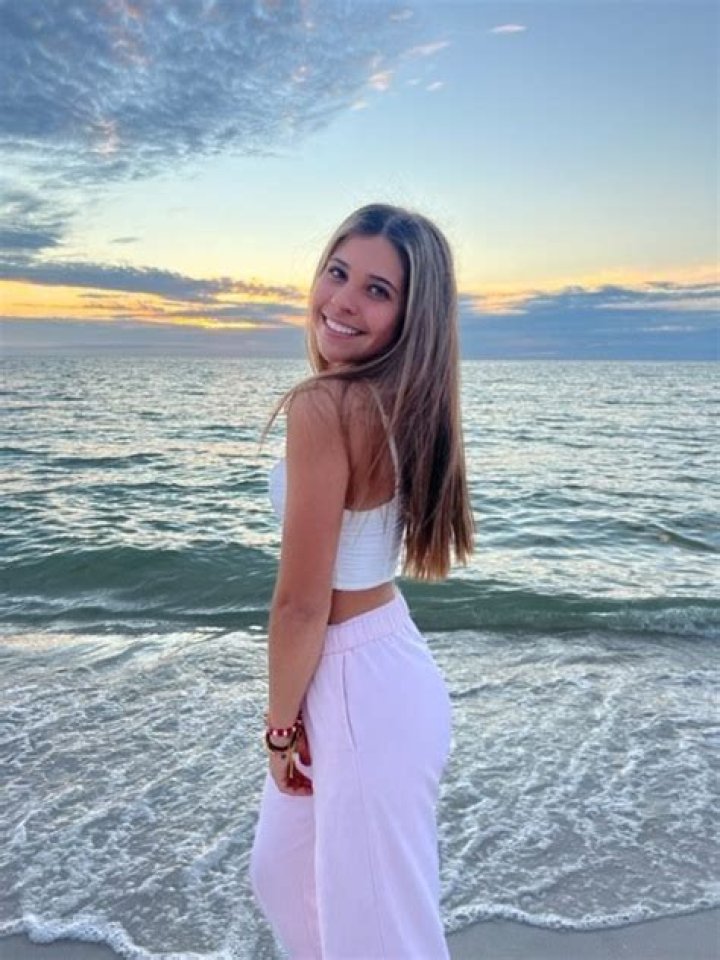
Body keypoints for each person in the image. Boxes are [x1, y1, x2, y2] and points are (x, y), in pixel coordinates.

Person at [249, 203, 474, 959]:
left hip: (357, 685)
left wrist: (280, 729)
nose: (342, 301)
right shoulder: (401, 402)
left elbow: (300, 603)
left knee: (382, 937)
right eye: (338, 272)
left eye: (378, 291)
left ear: (412, 316)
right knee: (283, 876)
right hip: (376, 669)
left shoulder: (325, 404)